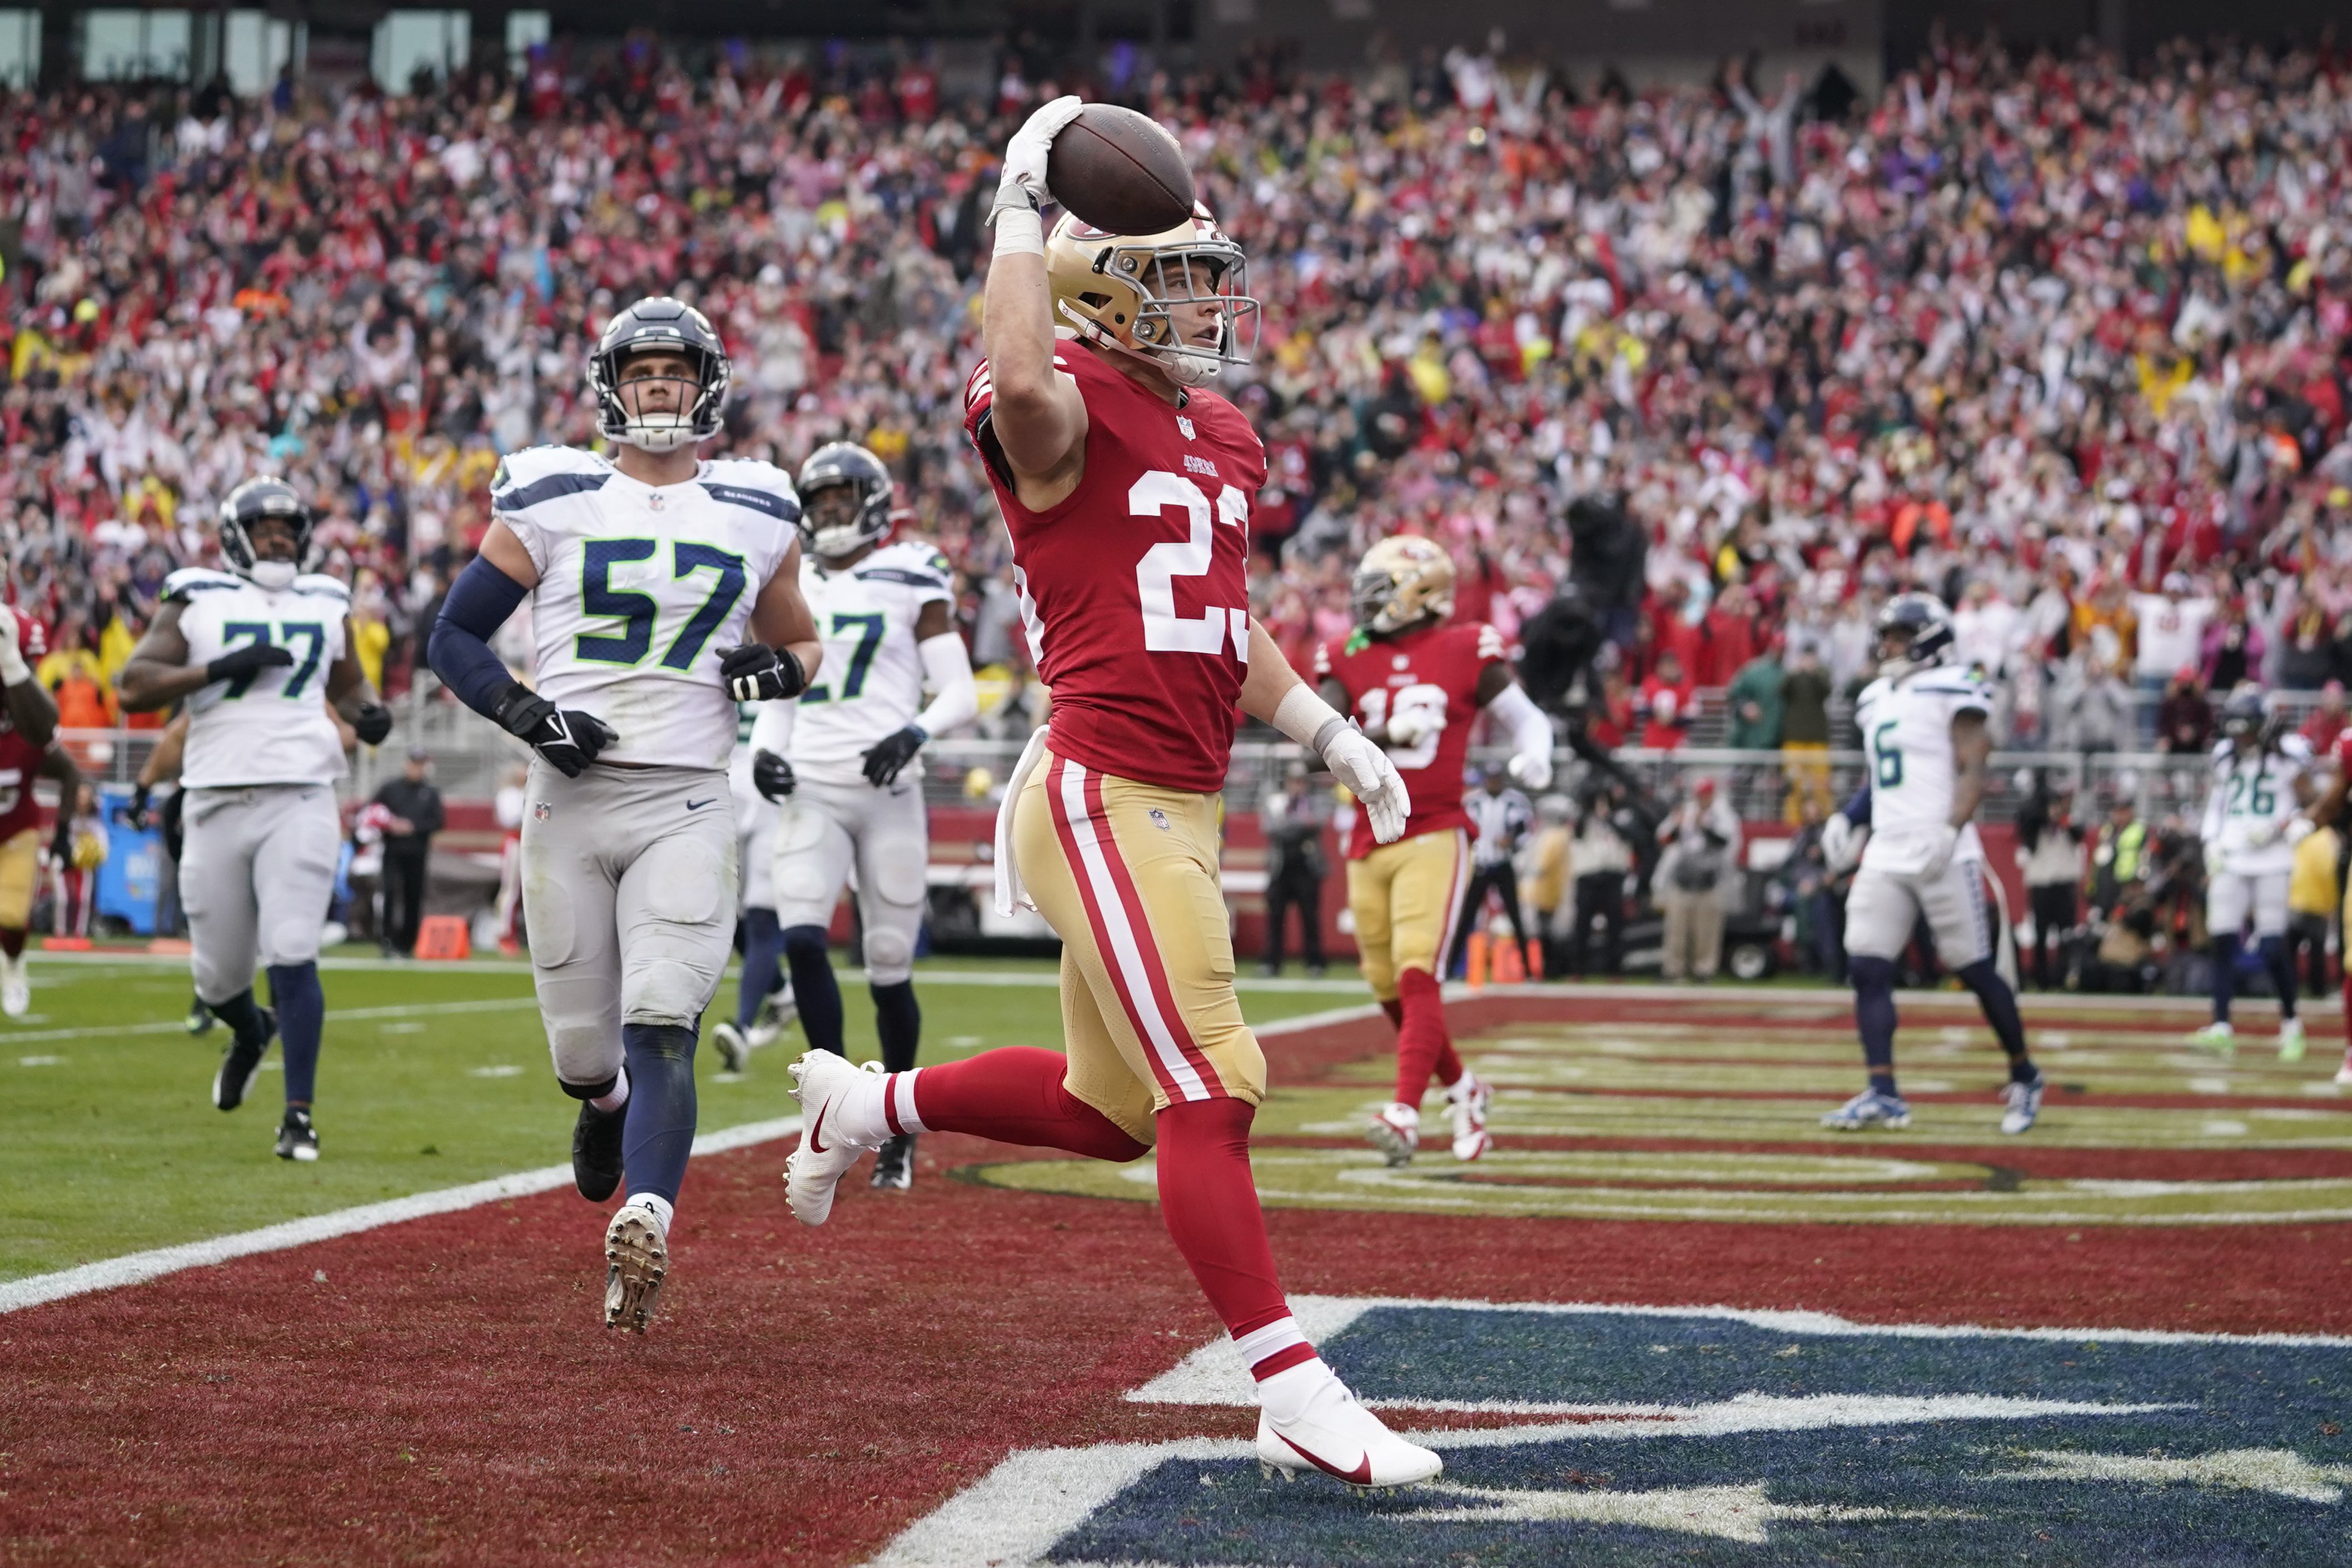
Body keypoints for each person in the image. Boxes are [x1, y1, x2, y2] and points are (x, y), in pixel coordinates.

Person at [783, 99, 1438, 1487]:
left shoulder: (1224, 431)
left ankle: (866, 1106)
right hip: (1101, 787)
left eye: (1208, 278)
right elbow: (1023, 391)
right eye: (1179, 278)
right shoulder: (1057, 398)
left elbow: (1222, 623)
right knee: (1216, 1082)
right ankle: (1291, 1388)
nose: (1206, 303)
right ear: (1099, 288)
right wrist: (1018, 210)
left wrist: (1326, 730)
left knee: (1114, 1110)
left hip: (1181, 795)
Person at [425, 297, 823, 1332]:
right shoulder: (553, 493)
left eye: (673, 371)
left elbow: (804, 645)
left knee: (664, 1016)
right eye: (640, 371)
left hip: (687, 794)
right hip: (569, 797)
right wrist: (528, 714)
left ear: (706, 387)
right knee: (582, 1054)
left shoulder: (755, 506)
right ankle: (602, 1107)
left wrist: (778, 669)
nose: (657, 386)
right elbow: (453, 637)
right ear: (610, 386)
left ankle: (647, 1217)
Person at [118, 477, 395, 1162]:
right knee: (217, 979)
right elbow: (133, 684)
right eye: (264, 529)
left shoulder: (325, 599)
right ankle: (250, 1029)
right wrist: (220, 667)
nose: (278, 539)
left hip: (302, 792)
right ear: (235, 536)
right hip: (214, 796)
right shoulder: (196, 595)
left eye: (287, 529)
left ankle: (298, 1117)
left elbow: (348, 685)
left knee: (294, 947)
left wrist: (369, 713)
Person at [742, 439, 978, 1192]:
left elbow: (960, 690)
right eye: (821, 502)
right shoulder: (793, 577)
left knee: (887, 965)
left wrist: (913, 732)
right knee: (802, 938)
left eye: (843, 499)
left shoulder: (911, 571)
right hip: (811, 785)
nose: (832, 512)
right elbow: (783, 688)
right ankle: (836, 1112)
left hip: (888, 792)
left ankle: (898, 1127)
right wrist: (763, 750)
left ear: (872, 504)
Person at [1317, 532, 1551, 1164]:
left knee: (1417, 970)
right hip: (1368, 834)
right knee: (1386, 986)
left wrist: (1537, 752)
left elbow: (1527, 718)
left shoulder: (1465, 645)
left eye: (1380, 589)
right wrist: (1385, 733)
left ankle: (1403, 1111)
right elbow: (1313, 749)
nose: (1366, 601)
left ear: (1419, 593)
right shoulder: (1346, 653)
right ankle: (1465, 1088)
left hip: (1435, 827)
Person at [1818, 594, 2045, 1135]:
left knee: (1971, 967)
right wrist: (1848, 817)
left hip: (1940, 847)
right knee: (1866, 965)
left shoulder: (1955, 685)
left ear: (1930, 642)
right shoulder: (1874, 697)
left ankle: (2024, 1073)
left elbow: (1973, 767)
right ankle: (1882, 1091)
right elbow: (1884, 777)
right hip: (1886, 847)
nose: (1888, 646)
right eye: (1886, 636)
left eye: (1898, 637)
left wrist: (1950, 828)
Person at [2187, 685, 2316, 1060]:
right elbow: (2216, 803)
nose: (2241, 737)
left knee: (2272, 945)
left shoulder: (2289, 755)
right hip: (2231, 854)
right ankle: (2221, 1025)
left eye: (2247, 730)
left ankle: (2291, 1023)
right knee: (2222, 939)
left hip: (2273, 858)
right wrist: (2210, 842)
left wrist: (2287, 824)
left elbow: (2314, 801)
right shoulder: (2225, 757)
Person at [0, 606, 73, 1014]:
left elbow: (66, 766)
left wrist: (62, 835)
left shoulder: (25, 730)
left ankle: (13, 963)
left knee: (12, 917)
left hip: (15, 829)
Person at [1454, 766, 1539, 980]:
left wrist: (1512, 841)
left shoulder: (1515, 801)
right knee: (1466, 917)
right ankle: (1451, 968)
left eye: (1497, 779)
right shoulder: (1473, 802)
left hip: (1503, 863)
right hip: (1480, 864)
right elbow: (1461, 828)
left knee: (1515, 916)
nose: (1494, 783)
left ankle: (1528, 969)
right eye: (1491, 779)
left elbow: (1526, 831)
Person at [1654, 777, 1739, 983]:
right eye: (1699, 795)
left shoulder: (1724, 815)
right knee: (1676, 930)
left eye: (1705, 795)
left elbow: (1725, 843)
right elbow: (1663, 839)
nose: (1702, 799)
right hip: (1683, 879)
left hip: (1709, 882)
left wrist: (1705, 826)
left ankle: (1704, 971)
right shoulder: (1685, 812)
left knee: (1707, 931)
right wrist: (1677, 825)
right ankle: (1674, 970)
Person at [370, 749, 445, 958]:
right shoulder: (390, 788)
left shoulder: (430, 792)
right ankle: (387, 940)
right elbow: (373, 810)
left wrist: (413, 828)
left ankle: (407, 943)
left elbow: (438, 822)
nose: (416, 769)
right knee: (389, 893)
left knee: (413, 896)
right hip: (393, 850)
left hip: (417, 852)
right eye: (414, 764)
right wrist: (390, 824)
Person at [2015, 774, 2086, 991]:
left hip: (2064, 884)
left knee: (2066, 933)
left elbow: (2078, 835)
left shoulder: (2071, 821)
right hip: (2041, 884)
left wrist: (2062, 819)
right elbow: (2026, 833)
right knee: (2041, 932)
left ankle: (2063, 974)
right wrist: (2043, 816)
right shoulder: (2036, 824)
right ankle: (2041, 977)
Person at [1257, 760, 1327, 978]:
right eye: (1294, 781)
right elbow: (1270, 829)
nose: (1298, 786)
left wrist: (1288, 826)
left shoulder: (1314, 802)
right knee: (1276, 917)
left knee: (1310, 916)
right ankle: (1272, 962)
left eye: (1301, 782)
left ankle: (1314, 962)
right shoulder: (1277, 803)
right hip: (1281, 866)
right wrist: (1301, 826)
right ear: (1287, 783)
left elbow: (1318, 823)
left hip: (1306, 866)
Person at [1565, 784, 1634, 978]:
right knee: (1582, 924)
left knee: (1615, 924)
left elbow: (1633, 837)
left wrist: (1609, 818)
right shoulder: (1584, 819)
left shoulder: (1622, 818)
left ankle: (1615, 969)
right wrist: (1589, 811)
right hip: (1588, 875)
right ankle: (1578, 968)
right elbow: (1577, 833)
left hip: (1612, 875)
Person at [2286, 817, 2339, 1002]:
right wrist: (2332, 902)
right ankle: (2317, 989)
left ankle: (2287, 986)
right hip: (2317, 902)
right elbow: (2327, 871)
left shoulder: (2303, 836)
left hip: (2296, 899)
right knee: (2317, 950)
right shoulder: (2326, 839)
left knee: (2290, 949)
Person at [51, 780, 106, 938]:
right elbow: (59, 839)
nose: (83, 801)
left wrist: (96, 854)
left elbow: (102, 842)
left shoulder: (95, 820)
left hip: (84, 863)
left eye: (86, 797)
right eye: (80, 796)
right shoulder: (67, 816)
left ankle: (79, 933)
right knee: (62, 899)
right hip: (64, 859)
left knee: (83, 899)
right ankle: (60, 932)